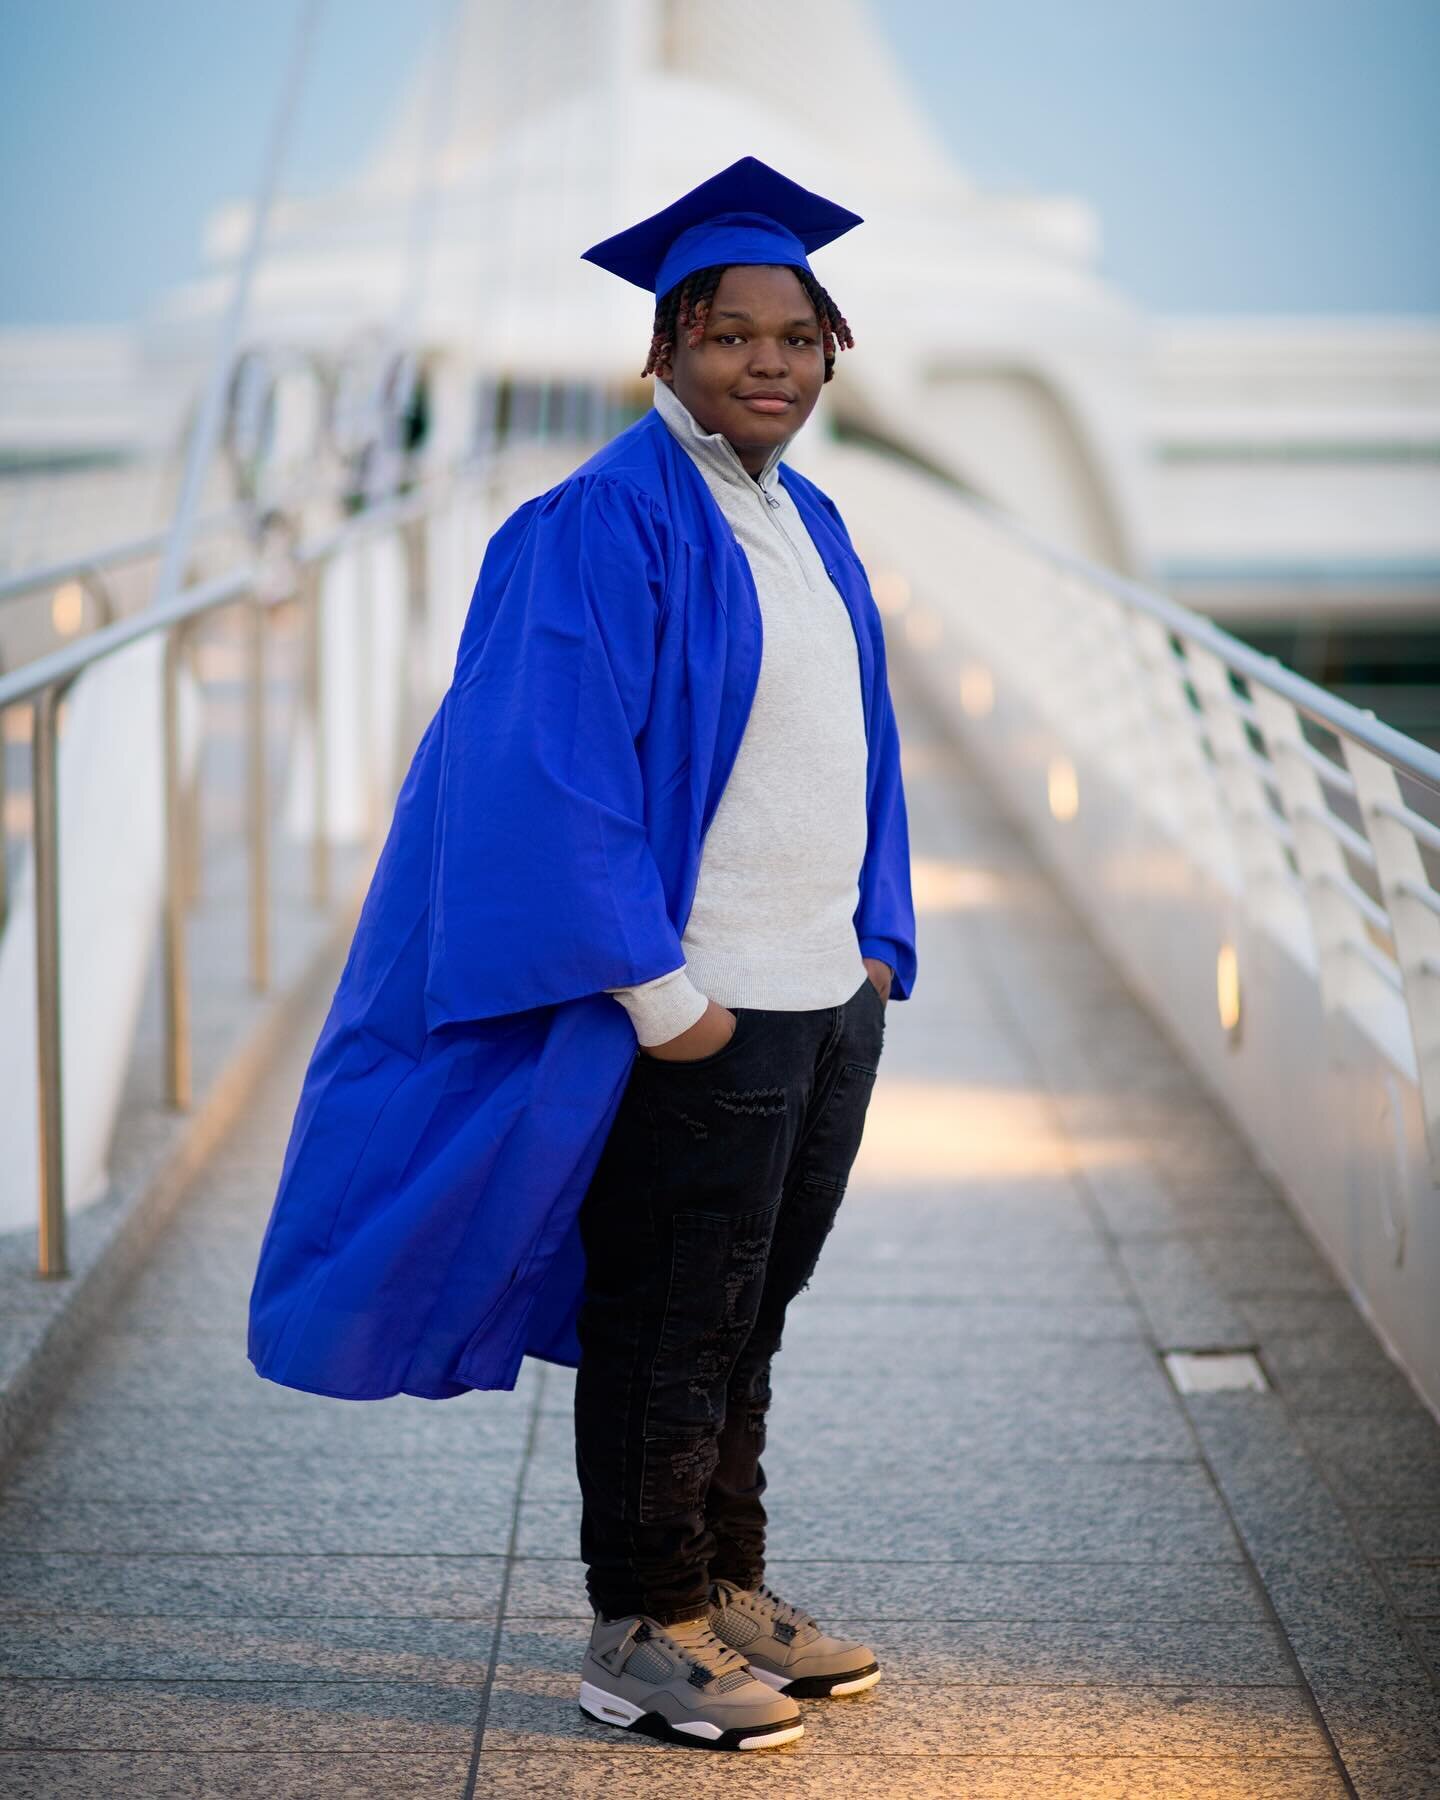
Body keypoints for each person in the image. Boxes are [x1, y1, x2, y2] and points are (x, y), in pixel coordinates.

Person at [245, 156, 916, 1756]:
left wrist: (879, 941)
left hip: (821, 994)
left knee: (751, 1310)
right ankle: (645, 1622)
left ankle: (730, 1585)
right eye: (730, 334)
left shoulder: (807, 517)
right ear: (664, 356)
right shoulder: (598, 524)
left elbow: (865, 742)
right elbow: (544, 770)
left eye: (796, 335)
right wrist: (662, 996)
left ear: (832, 353)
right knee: (670, 1316)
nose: (769, 361)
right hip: (708, 1004)